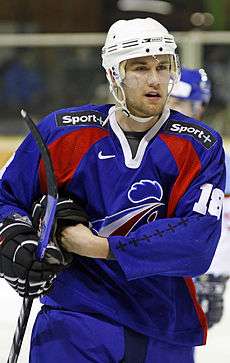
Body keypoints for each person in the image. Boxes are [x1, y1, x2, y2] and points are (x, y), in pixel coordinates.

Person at [0, 18, 226, 363]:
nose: (155, 79)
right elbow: (6, 198)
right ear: (112, 75)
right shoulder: (61, 133)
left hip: (163, 327)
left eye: (163, 67)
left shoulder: (201, 145)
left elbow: (196, 244)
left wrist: (99, 246)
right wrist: (15, 237)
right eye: (139, 68)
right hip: (75, 318)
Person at [168, 67, 230, 330]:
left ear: (200, 107)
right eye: (167, 100)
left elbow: (223, 224)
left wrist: (213, 277)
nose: (170, 108)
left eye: (179, 102)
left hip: (180, 287)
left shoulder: (217, 162)